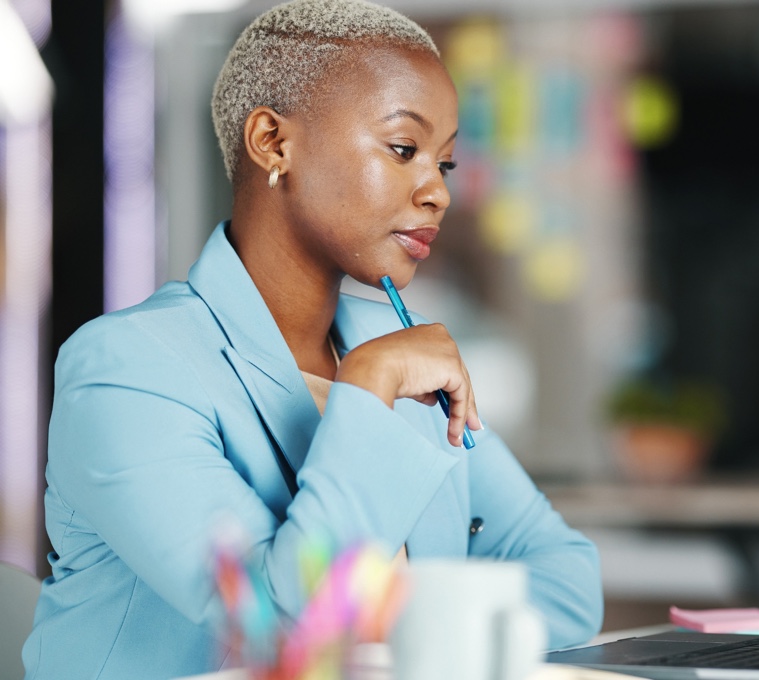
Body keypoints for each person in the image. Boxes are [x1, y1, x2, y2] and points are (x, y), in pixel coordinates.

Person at [21, 1, 603, 677]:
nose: (437, 194)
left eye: (442, 166)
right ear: (272, 141)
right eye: (403, 149)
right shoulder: (127, 373)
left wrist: (389, 621)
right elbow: (284, 626)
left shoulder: (402, 348)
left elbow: (569, 580)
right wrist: (365, 389)